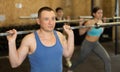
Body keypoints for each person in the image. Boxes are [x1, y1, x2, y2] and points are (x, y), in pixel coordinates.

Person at [6, 6, 74, 72]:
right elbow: (15, 64)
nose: (51, 23)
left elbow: (68, 54)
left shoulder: (60, 35)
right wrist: (11, 42)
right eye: (46, 19)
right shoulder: (30, 39)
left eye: (53, 18)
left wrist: (71, 35)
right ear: (38, 21)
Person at [67, 6, 111, 72]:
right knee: (81, 59)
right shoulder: (89, 22)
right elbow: (80, 33)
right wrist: (80, 24)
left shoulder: (101, 22)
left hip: (96, 44)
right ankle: (70, 69)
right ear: (94, 14)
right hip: (87, 44)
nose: (100, 14)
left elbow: (100, 32)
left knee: (107, 59)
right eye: (98, 13)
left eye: (101, 13)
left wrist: (104, 23)